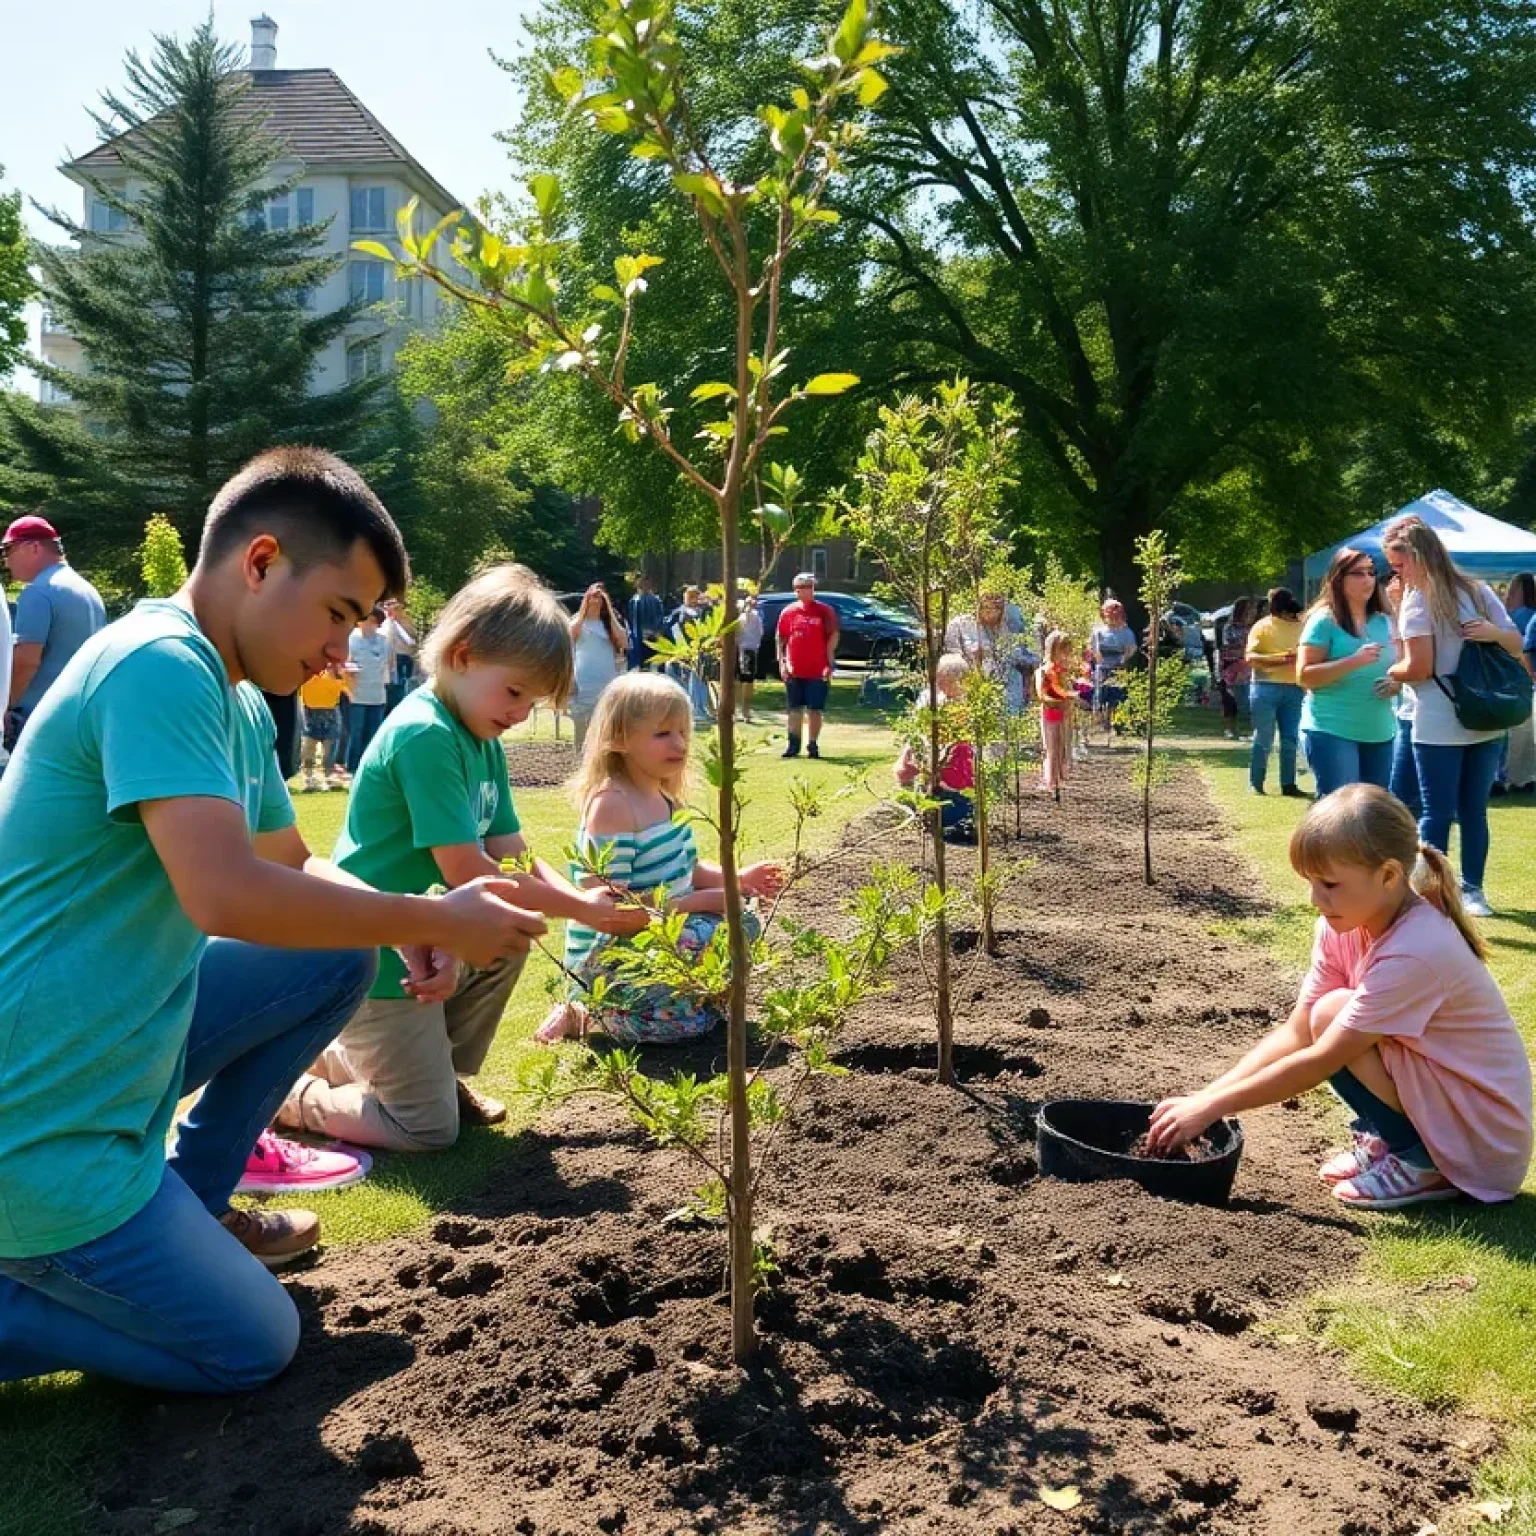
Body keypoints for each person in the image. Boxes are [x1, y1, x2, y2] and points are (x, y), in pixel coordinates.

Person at [0, 447, 546, 1394]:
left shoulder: (222, 686)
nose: (345, 651)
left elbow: (286, 865)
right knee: (252, 1343)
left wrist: (387, 922)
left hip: (109, 1039)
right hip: (41, 1114)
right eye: (339, 613)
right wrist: (429, 913)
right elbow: (225, 895)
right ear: (259, 563)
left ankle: (193, 1204)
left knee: (335, 962)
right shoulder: (161, 665)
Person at [278, 566, 643, 1152]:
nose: (521, 712)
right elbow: (469, 874)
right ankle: (289, 1095)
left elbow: (511, 856)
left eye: (533, 700)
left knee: (508, 936)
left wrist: (575, 900)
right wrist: (580, 908)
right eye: (516, 692)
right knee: (425, 1128)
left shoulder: (480, 736)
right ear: (464, 656)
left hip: (426, 945)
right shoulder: (427, 735)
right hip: (378, 958)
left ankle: (429, 1074)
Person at [1148, 785, 1531, 1209]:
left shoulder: (1417, 949)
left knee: (1333, 1015)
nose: (1315, 898)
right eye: (1310, 882)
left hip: (1481, 1140)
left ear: (1388, 876)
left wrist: (1210, 1107)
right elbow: (1297, 1031)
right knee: (1326, 1013)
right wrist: (1205, 1098)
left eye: (1329, 883)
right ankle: (1396, 1141)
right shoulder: (1341, 925)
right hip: (1448, 1104)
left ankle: (1424, 1164)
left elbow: (1321, 1060)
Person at [536, 673, 784, 1045]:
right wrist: (700, 902)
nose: (680, 743)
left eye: (683, 732)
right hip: (609, 956)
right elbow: (611, 911)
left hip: (663, 929)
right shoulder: (613, 806)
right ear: (619, 739)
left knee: (743, 920)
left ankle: (690, 999)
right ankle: (589, 1009)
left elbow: (688, 870)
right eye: (663, 733)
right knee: (684, 1025)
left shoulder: (666, 797)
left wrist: (738, 881)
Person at [1385, 517, 1524, 918]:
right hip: (1485, 714)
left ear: (1417, 558)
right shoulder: (1477, 590)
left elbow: (1418, 668)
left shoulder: (1419, 598)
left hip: (1439, 719)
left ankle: (1436, 896)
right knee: (1471, 811)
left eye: (1399, 566)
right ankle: (1471, 892)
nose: (1397, 575)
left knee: (1437, 812)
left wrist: (1388, 671)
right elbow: (1516, 643)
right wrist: (1492, 633)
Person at [1296, 548, 1397, 796]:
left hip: (1380, 731)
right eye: (1358, 573)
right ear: (1339, 579)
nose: (1368, 580)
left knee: (1373, 814)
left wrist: (1397, 683)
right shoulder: (1324, 620)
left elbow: (1400, 665)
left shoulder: (1384, 621)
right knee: (1341, 815)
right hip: (1332, 728)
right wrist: (1353, 661)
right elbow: (1304, 676)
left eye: (1372, 573)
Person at [2, 513, 106, 751]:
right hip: (82, 719)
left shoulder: (38, 592)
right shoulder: (88, 591)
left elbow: (26, 661)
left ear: (33, 547)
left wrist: (4, 706)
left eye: (8, 550)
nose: (6, 562)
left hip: (40, 721)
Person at [894, 654, 976, 838]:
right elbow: (922, 729)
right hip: (936, 757)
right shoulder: (934, 700)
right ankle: (927, 814)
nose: (940, 682)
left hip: (955, 759)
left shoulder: (966, 705)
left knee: (954, 788)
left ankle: (956, 818)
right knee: (925, 780)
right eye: (940, 678)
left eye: (945, 679)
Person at [1245, 587, 1306, 797]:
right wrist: (1282, 659)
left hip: (1295, 688)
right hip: (1265, 687)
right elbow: (1251, 658)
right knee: (1264, 737)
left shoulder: (1304, 627)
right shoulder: (1262, 627)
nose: (1292, 617)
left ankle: (1288, 784)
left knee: (1290, 739)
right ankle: (1256, 782)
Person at [777, 572, 839, 759]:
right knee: (794, 709)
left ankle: (812, 744)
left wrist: (829, 661)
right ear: (796, 590)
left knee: (814, 709)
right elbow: (780, 638)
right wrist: (782, 662)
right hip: (794, 669)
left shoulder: (824, 611)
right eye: (802, 587)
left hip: (818, 669)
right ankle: (793, 744)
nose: (806, 590)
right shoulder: (789, 612)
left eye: (809, 587)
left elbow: (833, 635)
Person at [945, 591, 1037, 715]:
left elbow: (1028, 658)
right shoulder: (960, 625)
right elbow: (953, 660)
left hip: (1008, 689)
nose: (990, 611)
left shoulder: (1010, 627)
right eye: (986, 606)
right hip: (974, 685)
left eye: (996, 608)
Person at [1381, 571, 1422, 819]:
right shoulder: (1384, 619)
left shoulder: (1417, 610)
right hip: (1403, 712)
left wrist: (1398, 606)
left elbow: (1413, 661)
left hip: (1416, 712)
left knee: (1404, 798)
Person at [568, 582, 628, 750]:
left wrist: (609, 611)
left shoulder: (609, 624)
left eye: (600, 599)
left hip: (607, 679)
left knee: (605, 722)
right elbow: (568, 639)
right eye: (592, 597)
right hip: (584, 680)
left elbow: (624, 641)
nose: (596, 601)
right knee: (581, 724)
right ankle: (579, 757)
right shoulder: (577, 622)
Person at [1497, 574, 1536, 796]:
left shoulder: (1511, 617)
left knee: (1513, 735)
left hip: (1514, 683)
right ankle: (1526, 778)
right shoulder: (1529, 617)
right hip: (1522, 683)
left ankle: (1507, 778)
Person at [344, 607, 391, 772]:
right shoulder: (352, 639)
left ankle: (370, 766)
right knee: (356, 732)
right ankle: (352, 767)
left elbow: (388, 666)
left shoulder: (384, 641)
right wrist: (348, 672)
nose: (368, 624)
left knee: (374, 733)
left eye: (372, 621)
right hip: (357, 694)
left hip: (377, 695)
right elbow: (344, 663)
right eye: (365, 620)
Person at [299, 661, 349, 792]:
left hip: (330, 713)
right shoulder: (306, 677)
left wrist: (340, 675)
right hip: (311, 713)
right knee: (308, 749)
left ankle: (329, 777)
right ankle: (309, 778)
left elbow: (346, 690)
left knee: (329, 750)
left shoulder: (333, 678)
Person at [1089, 598, 1137, 734]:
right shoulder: (1098, 631)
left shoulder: (1126, 632)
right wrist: (1099, 662)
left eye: (1115, 612)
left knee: (1116, 696)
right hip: (1102, 668)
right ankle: (1101, 723)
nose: (1111, 615)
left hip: (1118, 668)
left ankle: (1116, 723)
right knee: (1100, 696)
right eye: (1108, 612)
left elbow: (1131, 648)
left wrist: (1123, 659)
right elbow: (1094, 649)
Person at [667, 585, 713, 725]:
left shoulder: (702, 612)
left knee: (701, 680)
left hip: (701, 651)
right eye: (690, 596)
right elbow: (672, 630)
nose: (693, 600)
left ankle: (701, 707)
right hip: (686, 652)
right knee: (687, 680)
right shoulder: (679, 613)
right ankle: (694, 710)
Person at [1037, 630, 1074, 798]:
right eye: (1062, 651)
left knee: (1063, 744)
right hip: (1051, 710)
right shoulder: (1044, 671)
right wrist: (1056, 701)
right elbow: (1041, 694)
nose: (1065, 656)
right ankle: (1051, 781)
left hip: (1064, 711)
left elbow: (1067, 690)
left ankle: (1060, 777)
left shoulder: (1063, 672)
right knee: (1052, 745)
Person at [1215, 597, 1256, 740]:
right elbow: (1227, 648)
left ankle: (1251, 729)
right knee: (1229, 699)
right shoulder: (1229, 627)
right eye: (1249, 609)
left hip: (1247, 667)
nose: (1252, 612)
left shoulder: (1253, 628)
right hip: (1231, 668)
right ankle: (1229, 728)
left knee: (1249, 699)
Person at [381, 598, 419, 713]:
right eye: (388, 607)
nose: (391, 610)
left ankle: (398, 710)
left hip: (402, 657)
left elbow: (412, 641)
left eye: (396, 608)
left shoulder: (406, 622)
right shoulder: (383, 622)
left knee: (399, 688)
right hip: (387, 659)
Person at [626, 573, 666, 672]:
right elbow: (631, 620)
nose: (643, 584)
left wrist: (657, 632)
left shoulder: (655, 600)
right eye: (640, 581)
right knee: (640, 663)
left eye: (645, 581)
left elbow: (660, 618)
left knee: (653, 663)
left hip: (653, 635)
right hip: (638, 636)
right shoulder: (634, 601)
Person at [736, 592, 764, 723]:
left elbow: (759, 633)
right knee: (743, 681)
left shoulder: (754, 617)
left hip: (748, 650)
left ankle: (745, 711)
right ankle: (742, 711)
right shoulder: (742, 618)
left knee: (747, 681)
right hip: (745, 649)